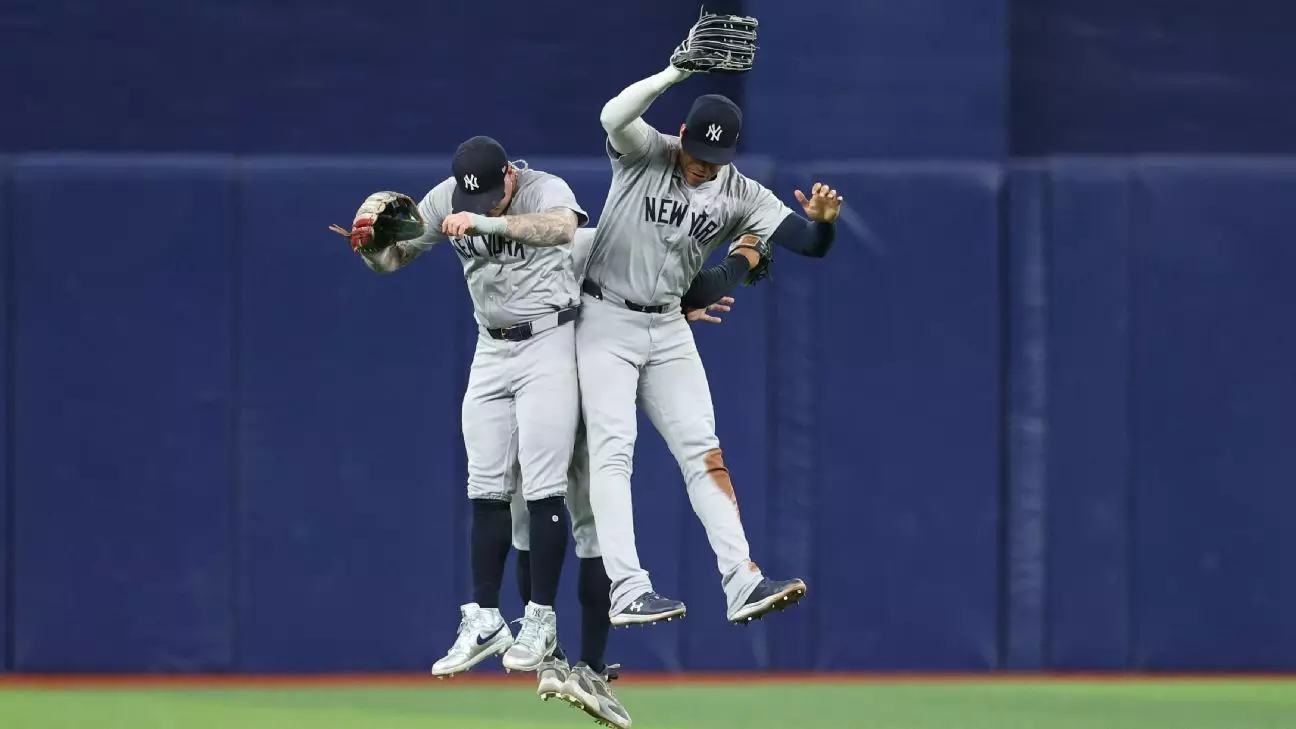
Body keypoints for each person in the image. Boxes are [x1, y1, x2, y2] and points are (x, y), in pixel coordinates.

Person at [575, 40, 843, 628]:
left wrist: (824, 224)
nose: (699, 163)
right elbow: (612, 116)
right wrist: (675, 71)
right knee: (614, 455)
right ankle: (627, 587)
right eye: (695, 150)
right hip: (606, 319)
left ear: (731, 155)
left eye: (712, 158)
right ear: (682, 133)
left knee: (705, 452)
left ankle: (742, 581)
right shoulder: (647, 152)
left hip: (669, 324)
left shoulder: (742, 192)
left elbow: (809, 243)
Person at [340, 135, 588, 677]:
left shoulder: (543, 187)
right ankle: (484, 617)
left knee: (544, 484)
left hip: (549, 339)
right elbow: (395, 259)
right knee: (485, 485)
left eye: (490, 198)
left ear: (509, 177)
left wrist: (489, 225)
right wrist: (372, 249)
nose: (478, 208)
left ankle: (541, 619)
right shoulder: (448, 198)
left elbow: (564, 228)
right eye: (469, 201)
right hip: (490, 345)